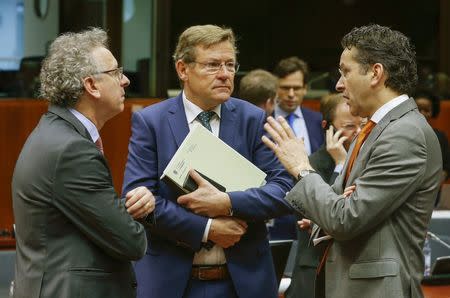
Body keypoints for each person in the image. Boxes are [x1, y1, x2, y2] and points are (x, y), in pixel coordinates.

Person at [263, 24, 442, 298]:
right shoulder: (375, 129)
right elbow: (339, 207)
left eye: (345, 71)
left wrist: (302, 168)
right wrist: (327, 216)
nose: (338, 84)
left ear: (376, 73)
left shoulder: (404, 133)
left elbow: (345, 218)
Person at [122, 24, 293, 298]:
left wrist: (228, 203)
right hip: (173, 283)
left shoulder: (253, 119)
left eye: (230, 65)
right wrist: (207, 229)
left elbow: (285, 191)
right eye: (213, 65)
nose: (225, 75)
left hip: (243, 283)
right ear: (183, 70)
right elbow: (141, 203)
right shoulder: (151, 122)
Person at [12, 28, 155, 298]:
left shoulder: (55, 132)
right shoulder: (72, 150)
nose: (124, 80)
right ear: (91, 86)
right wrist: (142, 209)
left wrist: (122, 210)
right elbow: (131, 241)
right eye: (115, 73)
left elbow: (90, 215)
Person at [285, 93, 362, 298]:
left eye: (361, 124)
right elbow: (330, 213)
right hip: (313, 270)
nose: (358, 133)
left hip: (353, 270)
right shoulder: (308, 165)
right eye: (349, 127)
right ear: (328, 127)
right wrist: (340, 165)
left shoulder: (368, 158)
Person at [268, 57, 324, 240]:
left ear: (305, 88)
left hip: (311, 209)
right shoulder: (261, 120)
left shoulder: (317, 121)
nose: (291, 94)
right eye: (285, 88)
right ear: (275, 87)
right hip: (272, 209)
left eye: (297, 88)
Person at [414, 90, 450, 206]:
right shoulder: (401, 134)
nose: (422, 113)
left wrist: (436, 184)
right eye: (418, 109)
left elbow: (446, 165)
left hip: (431, 191)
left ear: (433, 112)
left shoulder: (440, 137)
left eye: (427, 110)